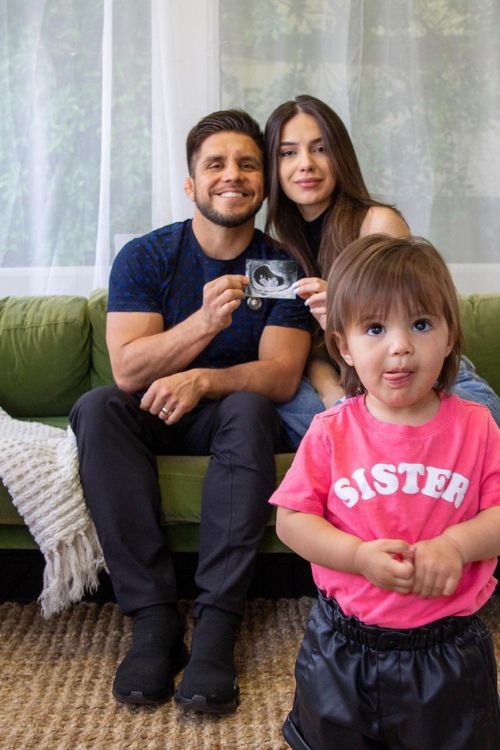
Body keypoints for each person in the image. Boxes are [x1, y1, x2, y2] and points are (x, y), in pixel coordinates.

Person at [69, 109, 312, 714]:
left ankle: (216, 627)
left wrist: (204, 380)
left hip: (230, 420)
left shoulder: (279, 264)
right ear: (191, 183)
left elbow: (281, 377)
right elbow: (128, 370)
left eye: (247, 164)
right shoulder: (147, 256)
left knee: (252, 407)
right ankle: (152, 621)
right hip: (150, 414)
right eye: (216, 164)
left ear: (262, 182)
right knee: (98, 406)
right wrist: (205, 322)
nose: (233, 175)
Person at [269, 234, 500, 750]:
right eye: (375, 328)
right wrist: (354, 555)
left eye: (420, 325)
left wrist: (458, 545)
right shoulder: (330, 431)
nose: (400, 346)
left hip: (446, 651)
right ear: (344, 347)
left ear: (448, 337)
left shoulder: (478, 428)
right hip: (342, 647)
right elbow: (292, 521)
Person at [264, 94, 500, 447]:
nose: (305, 164)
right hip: (341, 377)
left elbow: (414, 320)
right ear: (273, 165)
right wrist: (332, 391)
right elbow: (305, 351)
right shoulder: (277, 247)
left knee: (476, 425)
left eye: (320, 148)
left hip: (420, 371)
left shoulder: (376, 222)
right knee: (290, 406)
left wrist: (348, 309)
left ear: (340, 155)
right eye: (288, 153)